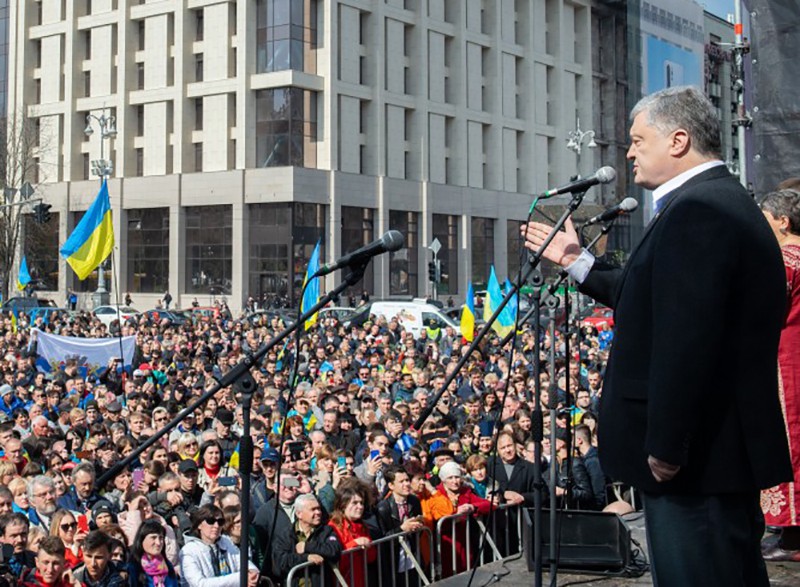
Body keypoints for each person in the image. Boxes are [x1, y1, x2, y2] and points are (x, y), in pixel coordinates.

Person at [521, 85, 791, 586]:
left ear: (678, 140)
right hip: (710, 457)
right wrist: (577, 261)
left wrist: (667, 443)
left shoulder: (699, 212)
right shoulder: (716, 203)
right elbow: (658, 300)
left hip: (696, 463)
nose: (627, 152)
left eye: (637, 140)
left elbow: (687, 340)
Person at [759, 188, 800, 560]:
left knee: (790, 441)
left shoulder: (786, 259)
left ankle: (792, 534)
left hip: (787, 358)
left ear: (783, 222)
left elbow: (767, 310)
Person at [179, 504, 259, 587]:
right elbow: (199, 584)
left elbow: (242, 561)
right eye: (211, 521)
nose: (216, 526)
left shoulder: (226, 541)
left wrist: (252, 572)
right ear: (199, 525)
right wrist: (240, 578)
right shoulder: (188, 551)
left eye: (220, 522)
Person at [271, 493, 341, 587]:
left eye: (318, 508)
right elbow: (280, 562)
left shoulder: (326, 531)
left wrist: (307, 546)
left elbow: (334, 550)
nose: (318, 512)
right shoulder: (286, 534)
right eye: (313, 509)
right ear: (299, 514)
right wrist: (306, 558)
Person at [327, 479, 376, 587]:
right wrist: (355, 543)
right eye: (355, 503)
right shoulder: (333, 527)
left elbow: (371, 557)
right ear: (343, 505)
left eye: (362, 503)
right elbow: (336, 559)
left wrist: (368, 546)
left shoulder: (362, 526)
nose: (360, 507)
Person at [126, 519, 179, 587]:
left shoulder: (167, 565)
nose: (158, 543)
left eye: (161, 538)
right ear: (142, 540)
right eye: (153, 537)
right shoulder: (133, 567)